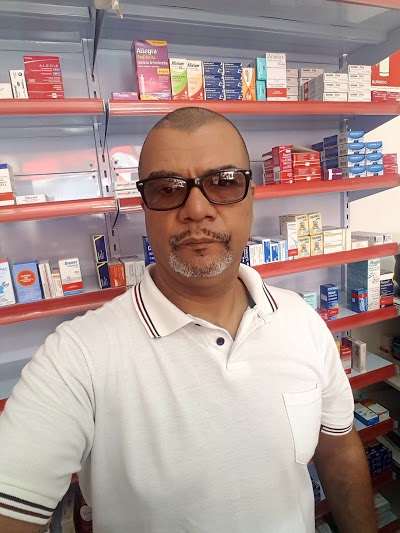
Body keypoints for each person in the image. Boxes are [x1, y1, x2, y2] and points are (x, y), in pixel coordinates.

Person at [0, 107, 377, 533]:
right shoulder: (76, 358)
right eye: (167, 189)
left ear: (251, 197)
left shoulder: (301, 322)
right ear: (144, 207)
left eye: (224, 182)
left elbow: (339, 450)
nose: (197, 209)